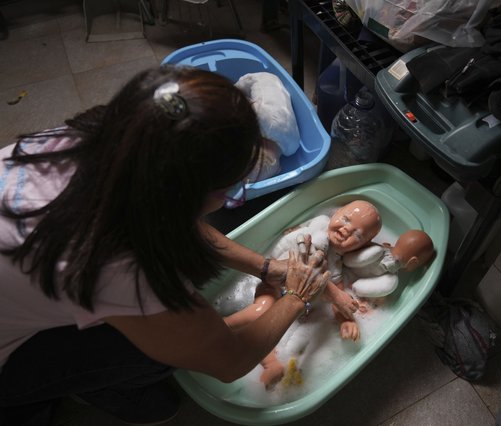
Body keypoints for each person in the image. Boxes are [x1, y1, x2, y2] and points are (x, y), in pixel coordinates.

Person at [0, 66, 330, 426]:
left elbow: (178, 222)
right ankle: (89, 388)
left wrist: (266, 268)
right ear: (188, 194)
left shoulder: (100, 140)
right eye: (226, 191)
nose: (224, 200)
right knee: (156, 359)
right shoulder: (118, 265)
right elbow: (228, 361)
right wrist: (297, 297)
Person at [224, 200, 382, 386]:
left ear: (361, 247)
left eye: (357, 234)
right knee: (262, 310)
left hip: (295, 306)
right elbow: (304, 227)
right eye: (346, 219)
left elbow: (337, 300)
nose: (347, 229)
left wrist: (345, 320)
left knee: (273, 331)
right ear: (336, 213)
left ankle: (270, 364)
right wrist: (295, 229)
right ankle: (222, 327)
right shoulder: (321, 222)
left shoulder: (336, 266)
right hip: (272, 286)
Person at [343, 229, 435, 300]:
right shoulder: (391, 271)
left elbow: (378, 246)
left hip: (352, 262)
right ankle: (356, 287)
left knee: (376, 252)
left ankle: (347, 261)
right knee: (391, 283)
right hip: (363, 270)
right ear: (413, 262)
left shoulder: (383, 248)